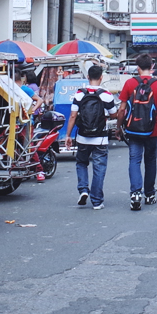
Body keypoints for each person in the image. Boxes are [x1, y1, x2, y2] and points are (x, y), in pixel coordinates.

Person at [118, 54, 157, 211]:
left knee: (134, 160)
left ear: (138, 68)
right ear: (152, 67)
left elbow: (122, 109)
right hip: (152, 130)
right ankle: (149, 194)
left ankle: (135, 193)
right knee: (150, 161)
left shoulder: (129, 83)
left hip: (133, 129)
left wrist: (119, 127)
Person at [66, 65, 118, 209]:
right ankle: (97, 201)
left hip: (83, 137)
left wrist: (68, 135)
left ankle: (83, 190)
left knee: (81, 163)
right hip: (100, 137)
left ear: (88, 77)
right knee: (99, 167)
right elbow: (114, 114)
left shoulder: (79, 94)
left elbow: (72, 115)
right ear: (101, 77)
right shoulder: (106, 94)